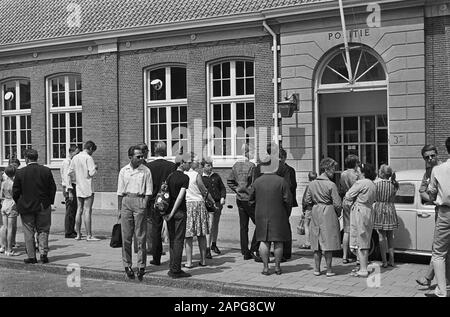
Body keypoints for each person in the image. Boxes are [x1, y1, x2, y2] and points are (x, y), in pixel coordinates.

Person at [249, 155, 292, 275]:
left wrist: (256, 212)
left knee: (264, 241)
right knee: (278, 242)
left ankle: (266, 267)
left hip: (261, 215)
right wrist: (286, 214)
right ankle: (277, 267)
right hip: (279, 214)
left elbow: (250, 200)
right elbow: (288, 200)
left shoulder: (257, 182)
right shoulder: (281, 181)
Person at [12, 149, 56, 264]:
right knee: (43, 230)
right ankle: (43, 254)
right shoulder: (46, 170)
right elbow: (53, 188)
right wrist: (49, 202)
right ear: (37, 158)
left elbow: (15, 191)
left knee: (28, 231)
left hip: (26, 206)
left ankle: (31, 256)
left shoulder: (20, 173)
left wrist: (19, 203)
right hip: (43, 205)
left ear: (26, 158)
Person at [117, 145, 153, 281]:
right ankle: (127, 265)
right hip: (126, 201)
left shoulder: (146, 171)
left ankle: (141, 265)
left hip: (139, 200)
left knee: (140, 236)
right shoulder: (123, 171)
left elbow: (149, 190)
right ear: (130, 157)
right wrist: (119, 209)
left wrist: (144, 204)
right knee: (126, 236)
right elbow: (120, 191)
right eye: (138, 156)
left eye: (142, 156)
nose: (141, 158)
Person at [416, 144, 447, 288]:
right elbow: (422, 190)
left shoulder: (444, 168)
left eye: (432, 155)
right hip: (439, 210)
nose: (430, 159)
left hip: (445, 210)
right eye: (426, 157)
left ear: (437, 154)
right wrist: (431, 199)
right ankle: (443, 281)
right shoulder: (428, 171)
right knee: (441, 247)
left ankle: (429, 277)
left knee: (439, 248)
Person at [304, 158, 342, 277]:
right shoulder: (331, 184)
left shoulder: (312, 184)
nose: (334, 171)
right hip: (328, 211)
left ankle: (316, 269)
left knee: (317, 243)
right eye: (332, 169)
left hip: (316, 210)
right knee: (328, 242)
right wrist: (338, 213)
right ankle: (329, 270)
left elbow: (307, 200)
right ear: (326, 169)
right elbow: (337, 204)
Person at [344, 163, 377, 278]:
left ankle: (363, 269)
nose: (356, 173)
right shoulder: (372, 184)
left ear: (363, 172)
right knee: (365, 239)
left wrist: (349, 203)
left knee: (359, 240)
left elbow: (348, 195)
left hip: (359, 212)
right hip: (368, 211)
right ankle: (362, 266)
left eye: (358, 171)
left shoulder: (360, 183)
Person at [426, 137, 450, 297]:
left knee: (439, 252)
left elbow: (432, 192)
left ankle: (442, 289)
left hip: (445, 212)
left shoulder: (438, 169)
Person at [146, 142, 176, 265]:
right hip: (168, 201)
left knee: (156, 229)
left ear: (155, 151)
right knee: (171, 229)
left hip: (154, 201)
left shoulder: (149, 166)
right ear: (165, 151)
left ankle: (156, 258)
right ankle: (174, 259)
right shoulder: (171, 166)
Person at [228, 144, 259, 261]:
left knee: (243, 226)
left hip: (239, 198)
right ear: (248, 153)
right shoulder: (252, 166)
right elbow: (254, 183)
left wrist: (236, 189)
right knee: (259, 224)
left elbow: (230, 181)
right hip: (249, 199)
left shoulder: (235, 165)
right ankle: (253, 248)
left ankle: (245, 251)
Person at [183, 155, 215, 268]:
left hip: (187, 205)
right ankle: (203, 260)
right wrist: (212, 201)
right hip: (199, 204)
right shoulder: (196, 175)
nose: (197, 163)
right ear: (192, 163)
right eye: (196, 161)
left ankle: (189, 261)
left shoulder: (184, 174)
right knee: (201, 234)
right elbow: (204, 190)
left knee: (188, 236)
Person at [163, 153, 191, 278]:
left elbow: (165, 194)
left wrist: (167, 213)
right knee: (179, 240)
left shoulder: (170, 176)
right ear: (182, 163)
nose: (189, 164)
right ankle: (176, 269)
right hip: (179, 212)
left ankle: (172, 267)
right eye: (188, 162)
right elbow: (180, 197)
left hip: (169, 212)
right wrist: (174, 211)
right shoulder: (185, 178)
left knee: (172, 240)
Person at [68, 140, 99, 241]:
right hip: (88, 186)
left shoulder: (75, 157)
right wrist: (95, 168)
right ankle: (89, 235)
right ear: (90, 148)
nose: (92, 153)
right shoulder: (88, 158)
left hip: (79, 185)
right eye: (92, 151)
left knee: (79, 209)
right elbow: (91, 173)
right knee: (87, 210)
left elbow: (70, 171)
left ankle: (78, 234)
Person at [373, 164, 399, 268]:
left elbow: (374, 197)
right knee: (390, 236)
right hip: (391, 208)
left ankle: (384, 260)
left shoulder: (376, 184)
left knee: (381, 236)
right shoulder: (394, 184)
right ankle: (391, 259)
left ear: (382, 173)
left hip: (380, 208)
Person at [202, 157, 226, 258]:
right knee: (210, 226)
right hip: (208, 205)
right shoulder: (201, 178)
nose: (211, 167)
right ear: (203, 166)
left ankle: (214, 244)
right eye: (208, 165)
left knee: (215, 224)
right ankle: (207, 248)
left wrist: (222, 197)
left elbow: (222, 188)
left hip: (218, 204)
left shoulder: (216, 176)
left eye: (211, 165)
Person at [339, 154, 361, 264]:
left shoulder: (343, 174)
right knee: (356, 228)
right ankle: (357, 257)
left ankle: (344, 256)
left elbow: (341, 188)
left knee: (346, 229)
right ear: (355, 163)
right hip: (355, 201)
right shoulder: (356, 174)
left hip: (346, 200)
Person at [60, 145, 80, 238]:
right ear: (71, 152)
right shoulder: (67, 162)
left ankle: (71, 229)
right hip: (69, 187)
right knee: (70, 209)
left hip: (72, 186)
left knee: (73, 209)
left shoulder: (72, 162)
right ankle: (68, 231)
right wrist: (70, 190)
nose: (77, 155)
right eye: (76, 153)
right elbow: (66, 176)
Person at [0, 165, 20, 256]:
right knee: (11, 228)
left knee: (4, 227)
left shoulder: (3, 183)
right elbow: (17, 196)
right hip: (12, 203)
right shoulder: (14, 183)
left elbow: (1, 196)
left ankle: (3, 246)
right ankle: (9, 249)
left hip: (4, 203)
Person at [299, 171, 317, 249]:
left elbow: (306, 199)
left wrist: (303, 209)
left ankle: (307, 242)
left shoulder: (309, 186)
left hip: (309, 208)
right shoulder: (318, 185)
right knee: (315, 225)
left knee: (306, 225)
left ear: (308, 177)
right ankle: (315, 242)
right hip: (317, 207)